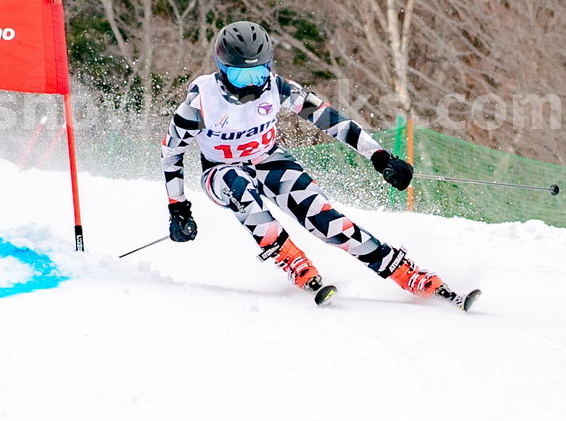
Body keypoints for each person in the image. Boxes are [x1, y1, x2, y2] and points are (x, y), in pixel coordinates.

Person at [161, 22, 476, 309]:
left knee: (323, 219)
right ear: (222, 69)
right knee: (239, 187)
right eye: (241, 76)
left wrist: (379, 157)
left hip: (267, 158)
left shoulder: (277, 87)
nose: (251, 84)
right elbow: (171, 154)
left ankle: (405, 271)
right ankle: (292, 261)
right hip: (220, 170)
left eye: (258, 73)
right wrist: (178, 208)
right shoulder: (198, 105)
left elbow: (330, 119)